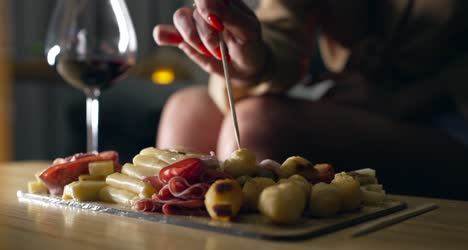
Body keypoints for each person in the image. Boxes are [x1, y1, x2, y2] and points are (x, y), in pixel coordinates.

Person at [153, 0, 468, 199]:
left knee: (258, 126)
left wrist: (403, 99)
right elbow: (284, 31)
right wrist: (253, 59)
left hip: (449, 117)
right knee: (187, 111)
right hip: (359, 103)